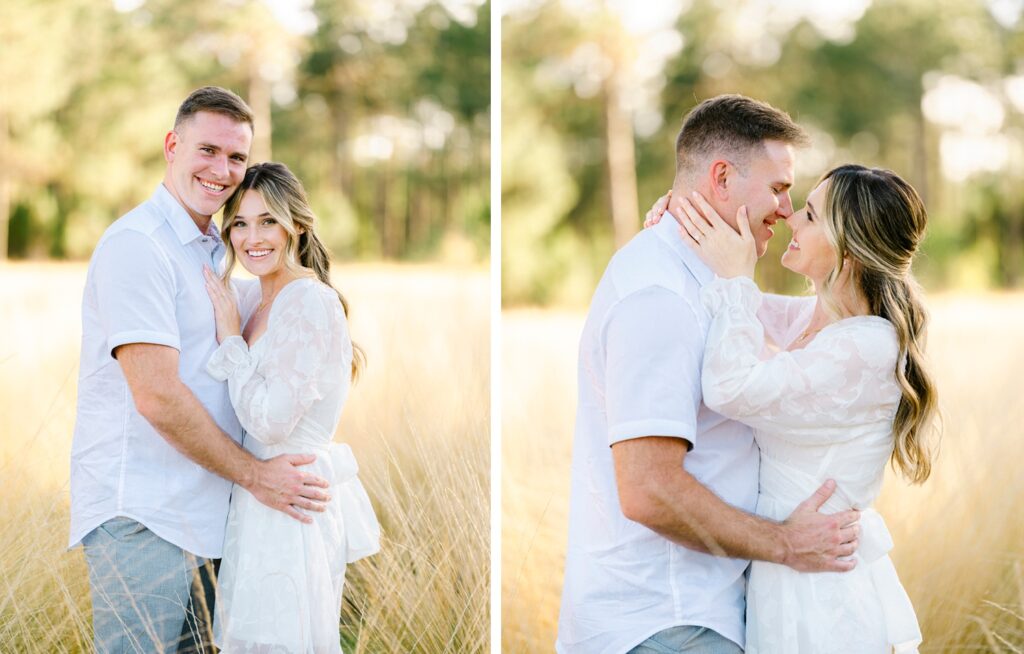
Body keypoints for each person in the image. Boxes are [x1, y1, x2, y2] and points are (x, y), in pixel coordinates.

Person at [556, 94, 862, 654]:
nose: (787, 211)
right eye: (778, 189)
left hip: (697, 615)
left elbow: (822, 324)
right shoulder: (659, 294)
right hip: (666, 624)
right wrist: (786, 545)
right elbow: (648, 489)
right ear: (721, 178)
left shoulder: (706, 283)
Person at [69, 87, 333, 653]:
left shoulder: (214, 248)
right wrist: (258, 477)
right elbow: (157, 396)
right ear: (172, 145)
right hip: (143, 518)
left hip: (211, 516)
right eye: (207, 150)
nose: (222, 170)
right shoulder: (139, 246)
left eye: (236, 157)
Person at [649, 164, 935, 653]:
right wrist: (681, 236)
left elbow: (729, 384)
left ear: (850, 250)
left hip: (823, 597)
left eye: (809, 215)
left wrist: (736, 276)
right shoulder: (818, 320)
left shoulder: (866, 350)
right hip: (789, 573)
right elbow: (733, 309)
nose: (790, 221)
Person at [202, 162, 380, 653]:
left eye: (268, 221)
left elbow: (270, 422)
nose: (251, 237)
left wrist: (231, 341)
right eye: (239, 222)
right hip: (261, 500)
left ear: (296, 226)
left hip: (291, 504)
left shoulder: (307, 300)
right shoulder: (259, 301)